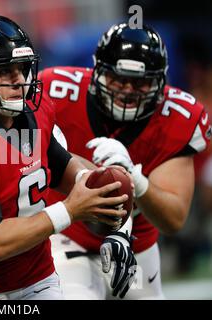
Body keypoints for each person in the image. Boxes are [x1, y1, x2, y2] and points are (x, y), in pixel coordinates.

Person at [0, 15, 134, 300]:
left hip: (40, 280)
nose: (20, 79)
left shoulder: (35, 112)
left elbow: (62, 168)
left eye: (22, 68)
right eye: (5, 70)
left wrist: (109, 207)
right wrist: (71, 210)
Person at [39, 22, 212, 299]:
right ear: (97, 72)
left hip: (137, 243)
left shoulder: (179, 115)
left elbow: (173, 218)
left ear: (160, 81)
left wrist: (136, 180)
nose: (127, 90)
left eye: (141, 82)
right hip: (67, 235)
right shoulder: (54, 89)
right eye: (118, 79)